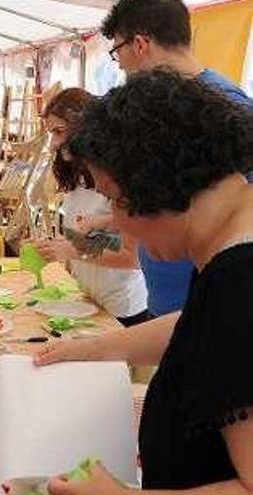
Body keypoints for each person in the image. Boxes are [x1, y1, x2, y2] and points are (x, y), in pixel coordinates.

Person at [35, 69, 253, 494]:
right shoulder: (231, 252)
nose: (114, 219)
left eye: (115, 198)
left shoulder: (240, 277)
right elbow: (202, 327)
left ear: (155, 181)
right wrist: (91, 349)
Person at [100, 0, 253, 318]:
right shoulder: (165, 105)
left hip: (206, 304)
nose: (120, 66)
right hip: (168, 298)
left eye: (117, 53)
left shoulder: (225, 106)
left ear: (140, 44)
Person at [35, 88, 149, 327]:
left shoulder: (118, 178)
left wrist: (74, 250)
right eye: (51, 133)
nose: (53, 144)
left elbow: (132, 256)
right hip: (90, 300)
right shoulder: (77, 175)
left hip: (122, 308)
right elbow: (85, 232)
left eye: (59, 132)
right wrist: (56, 246)